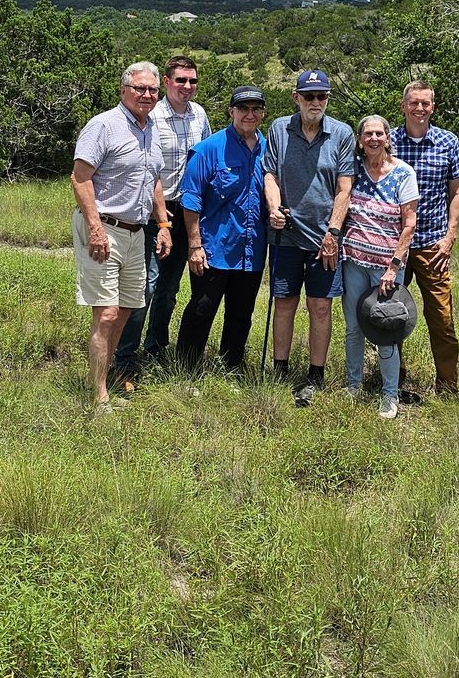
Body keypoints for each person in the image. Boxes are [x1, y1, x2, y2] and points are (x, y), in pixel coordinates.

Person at [71, 62, 170, 412]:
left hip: (136, 232)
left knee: (128, 308)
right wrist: (95, 228)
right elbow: (80, 177)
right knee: (107, 313)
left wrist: (163, 225)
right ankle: (99, 396)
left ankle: (106, 375)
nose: (147, 95)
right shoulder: (104, 126)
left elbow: (153, 178)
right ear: (124, 89)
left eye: (152, 90)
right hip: (105, 229)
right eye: (140, 88)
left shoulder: (150, 128)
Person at [114, 54, 209, 388]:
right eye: (180, 80)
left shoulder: (199, 115)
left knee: (169, 290)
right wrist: (160, 219)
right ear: (166, 82)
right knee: (145, 287)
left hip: (189, 211)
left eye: (192, 81)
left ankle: (155, 350)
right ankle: (124, 361)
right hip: (158, 211)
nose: (187, 86)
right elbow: (148, 169)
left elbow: (206, 161)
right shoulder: (152, 115)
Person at [262, 69, 356, 406]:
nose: (315, 102)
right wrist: (274, 208)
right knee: (284, 303)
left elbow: (344, 188)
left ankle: (315, 375)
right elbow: (270, 174)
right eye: (309, 96)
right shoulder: (279, 129)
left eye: (321, 96)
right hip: (286, 236)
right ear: (296, 98)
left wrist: (333, 232)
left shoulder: (342, 133)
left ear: (327, 99)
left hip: (324, 239)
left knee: (319, 306)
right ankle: (280, 369)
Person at [176, 86, 270, 373]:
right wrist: (195, 246)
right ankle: (187, 369)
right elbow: (190, 199)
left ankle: (231, 367)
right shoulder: (208, 149)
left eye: (256, 109)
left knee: (241, 314)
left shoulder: (270, 150)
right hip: (214, 248)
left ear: (263, 113)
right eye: (243, 108)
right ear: (231, 111)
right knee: (202, 310)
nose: (249, 114)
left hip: (252, 250)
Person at [389, 81, 459, 398]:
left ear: (433, 107)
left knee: (442, 319)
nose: (419, 109)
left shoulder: (447, 142)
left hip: (433, 242)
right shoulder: (388, 139)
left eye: (425, 103)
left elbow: (458, 192)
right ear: (403, 106)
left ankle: (448, 388)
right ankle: (393, 380)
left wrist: (449, 237)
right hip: (394, 244)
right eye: (414, 103)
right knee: (390, 315)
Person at [341, 115, 418, 419]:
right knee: (353, 327)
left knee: (385, 328)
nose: (373, 139)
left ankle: (390, 394)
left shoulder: (403, 174)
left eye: (379, 134)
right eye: (367, 134)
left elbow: (409, 224)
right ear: (360, 140)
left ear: (388, 138)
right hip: (354, 261)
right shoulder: (354, 171)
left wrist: (394, 266)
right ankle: (353, 384)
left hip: (386, 266)